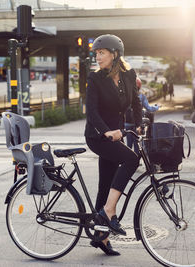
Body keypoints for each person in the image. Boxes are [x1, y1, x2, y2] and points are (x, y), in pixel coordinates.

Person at [84, 34, 142, 256]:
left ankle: (101, 237)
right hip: (98, 136)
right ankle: (109, 211)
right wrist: (106, 131)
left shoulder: (129, 75)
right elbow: (92, 112)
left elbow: (135, 102)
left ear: (114, 54)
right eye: (96, 53)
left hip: (117, 133)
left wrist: (139, 125)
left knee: (105, 185)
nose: (97, 57)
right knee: (131, 159)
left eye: (101, 53)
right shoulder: (95, 78)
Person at [125, 77, 159, 154]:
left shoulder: (125, 96)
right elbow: (149, 108)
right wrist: (157, 107)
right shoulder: (141, 97)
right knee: (137, 145)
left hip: (127, 123)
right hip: (137, 125)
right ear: (139, 86)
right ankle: (135, 162)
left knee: (128, 146)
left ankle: (128, 162)